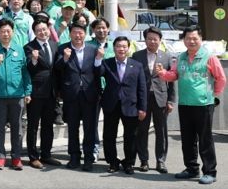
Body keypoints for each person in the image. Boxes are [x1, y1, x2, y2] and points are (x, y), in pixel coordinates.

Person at [158, 26, 226, 185]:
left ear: (201, 39)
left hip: (204, 105)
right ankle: (191, 168)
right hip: (185, 104)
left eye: (195, 38)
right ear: (184, 40)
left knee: (205, 139)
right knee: (187, 139)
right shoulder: (180, 57)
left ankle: (210, 171)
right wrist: (163, 73)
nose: (191, 41)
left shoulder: (209, 57)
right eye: (188, 38)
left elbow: (221, 78)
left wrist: (213, 95)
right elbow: (174, 75)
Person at [0, 19, 32, 171]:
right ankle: (0, 156)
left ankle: (16, 157)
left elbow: (25, 73)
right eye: (2, 31)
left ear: (13, 32)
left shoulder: (19, 49)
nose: (5, 34)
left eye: (8, 31)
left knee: (17, 128)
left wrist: (28, 91)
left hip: (17, 96)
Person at [95, 36, 147, 175]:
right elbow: (97, 73)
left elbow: (142, 88)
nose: (121, 49)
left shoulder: (137, 65)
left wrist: (142, 108)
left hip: (131, 105)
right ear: (114, 48)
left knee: (131, 136)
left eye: (124, 46)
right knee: (109, 135)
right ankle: (113, 162)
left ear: (128, 48)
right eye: (118, 46)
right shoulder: (107, 63)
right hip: (111, 104)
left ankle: (129, 163)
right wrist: (99, 58)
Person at [54, 23, 100, 171]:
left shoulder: (93, 49)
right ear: (70, 34)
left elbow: (99, 72)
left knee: (89, 128)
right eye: (75, 32)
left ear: (85, 34)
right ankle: (74, 156)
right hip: (71, 94)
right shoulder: (63, 48)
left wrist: (99, 59)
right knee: (72, 127)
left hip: (89, 94)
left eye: (80, 32)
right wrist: (65, 58)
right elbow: (57, 69)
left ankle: (88, 158)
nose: (78, 35)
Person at [132, 26, 174, 173]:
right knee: (142, 130)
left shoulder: (166, 57)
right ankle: (144, 160)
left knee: (161, 131)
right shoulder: (137, 56)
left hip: (160, 98)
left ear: (160, 40)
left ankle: (160, 161)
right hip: (142, 99)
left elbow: (171, 80)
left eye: (155, 39)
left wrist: (170, 100)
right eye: (149, 39)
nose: (152, 41)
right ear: (145, 40)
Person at [24, 19, 60, 169]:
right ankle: (33, 157)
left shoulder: (54, 45)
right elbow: (28, 68)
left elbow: (56, 67)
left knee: (48, 125)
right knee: (33, 125)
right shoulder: (29, 47)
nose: (42, 32)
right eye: (39, 30)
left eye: (44, 29)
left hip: (51, 92)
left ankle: (46, 154)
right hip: (36, 92)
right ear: (34, 32)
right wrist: (33, 60)